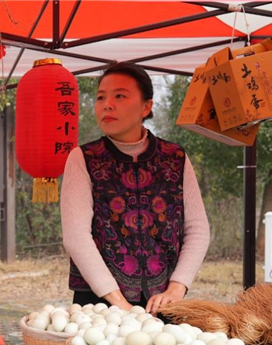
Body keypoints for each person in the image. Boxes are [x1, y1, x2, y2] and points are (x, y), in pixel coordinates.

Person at [61, 61, 210, 316]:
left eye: (120, 95)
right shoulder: (83, 158)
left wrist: (177, 288)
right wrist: (119, 304)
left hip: (163, 302)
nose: (107, 104)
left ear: (146, 106)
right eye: (100, 97)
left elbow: (197, 230)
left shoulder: (174, 158)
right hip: (99, 303)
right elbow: (76, 238)